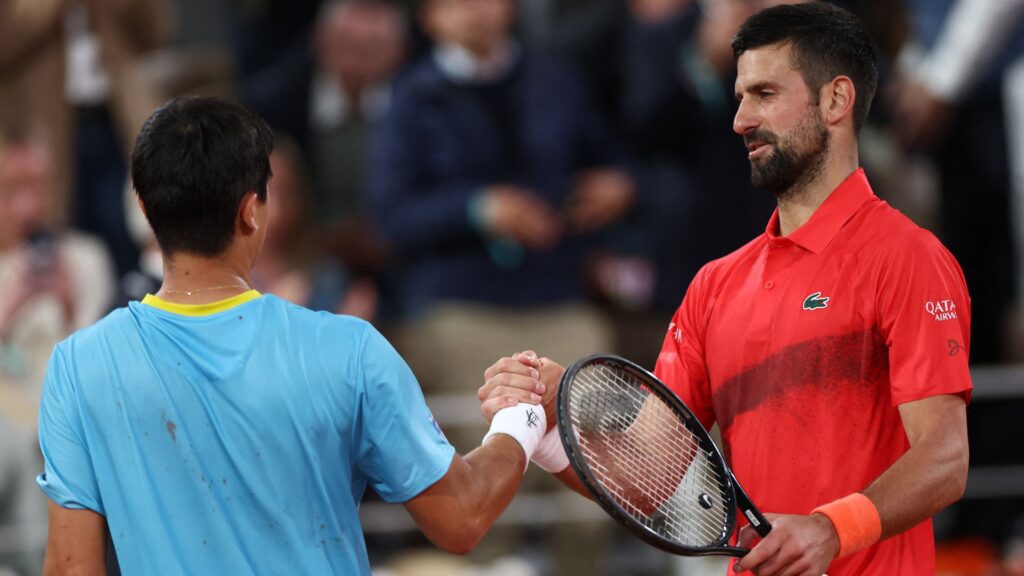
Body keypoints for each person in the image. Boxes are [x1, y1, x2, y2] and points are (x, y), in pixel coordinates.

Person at [479, 4, 972, 575]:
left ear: (837, 100)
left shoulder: (908, 258)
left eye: (764, 94)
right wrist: (553, 422)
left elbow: (944, 458)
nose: (740, 119)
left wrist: (831, 530)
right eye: (739, 96)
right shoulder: (714, 286)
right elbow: (649, 478)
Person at [35, 96, 556, 575]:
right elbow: (463, 516)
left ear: (146, 210)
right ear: (251, 211)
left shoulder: (78, 365)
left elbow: (69, 568)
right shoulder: (349, 350)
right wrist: (522, 419)